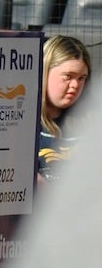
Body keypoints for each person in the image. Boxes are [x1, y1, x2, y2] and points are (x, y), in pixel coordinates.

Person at [37, 35, 92, 183]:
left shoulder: (91, 123)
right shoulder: (21, 124)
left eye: (82, 78)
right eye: (68, 76)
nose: (75, 85)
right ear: (45, 71)